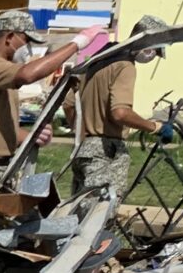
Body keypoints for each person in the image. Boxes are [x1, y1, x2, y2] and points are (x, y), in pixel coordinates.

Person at [0, 7, 79, 223]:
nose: (28, 49)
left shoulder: (3, 76)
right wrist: (77, 44)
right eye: (26, 41)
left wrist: (30, 136)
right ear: (9, 38)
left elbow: (0, 127)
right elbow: (29, 74)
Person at [69, 14, 173, 198]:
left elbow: (69, 103)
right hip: (105, 151)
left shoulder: (98, 60)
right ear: (148, 42)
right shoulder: (125, 66)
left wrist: (80, 130)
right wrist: (155, 127)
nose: (153, 56)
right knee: (98, 214)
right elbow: (120, 113)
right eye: (155, 51)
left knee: (77, 214)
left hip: (81, 148)